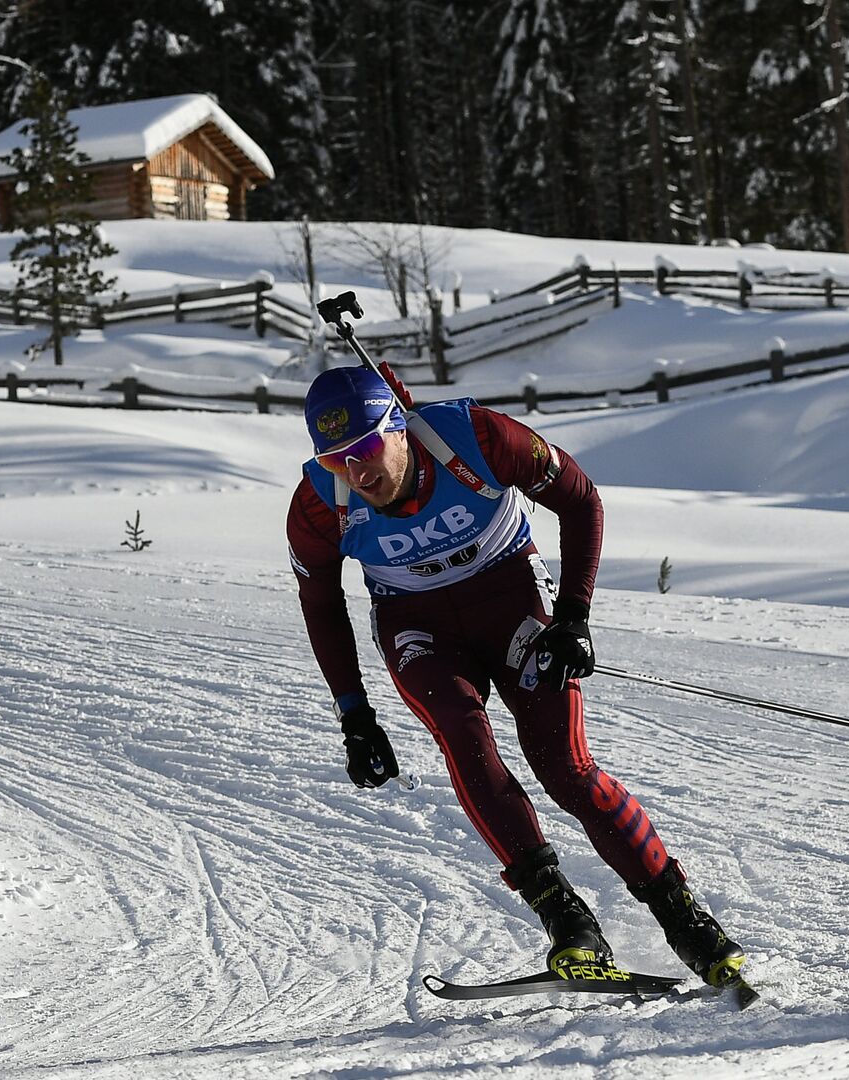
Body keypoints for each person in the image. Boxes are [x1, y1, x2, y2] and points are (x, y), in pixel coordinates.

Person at [285, 363, 746, 988]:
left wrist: (575, 616)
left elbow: (580, 498)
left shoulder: (476, 438)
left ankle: (684, 918)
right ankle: (567, 920)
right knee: (463, 736)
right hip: (417, 621)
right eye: (338, 460)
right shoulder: (317, 505)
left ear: (399, 424)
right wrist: (353, 714)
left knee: (564, 765)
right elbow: (320, 602)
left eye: (366, 447)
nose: (358, 472)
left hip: (511, 600)